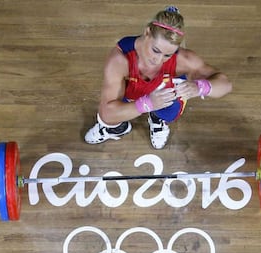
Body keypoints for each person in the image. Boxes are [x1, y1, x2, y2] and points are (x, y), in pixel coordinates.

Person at [84, 6, 232, 149]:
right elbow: (107, 113)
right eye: (156, 50)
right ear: (147, 32)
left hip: (164, 96)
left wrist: (201, 87)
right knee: (109, 117)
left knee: (171, 107)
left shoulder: (184, 59)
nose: (158, 59)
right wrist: (147, 104)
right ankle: (116, 129)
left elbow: (225, 85)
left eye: (167, 55)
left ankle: (157, 119)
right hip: (132, 94)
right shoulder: (121, 59)